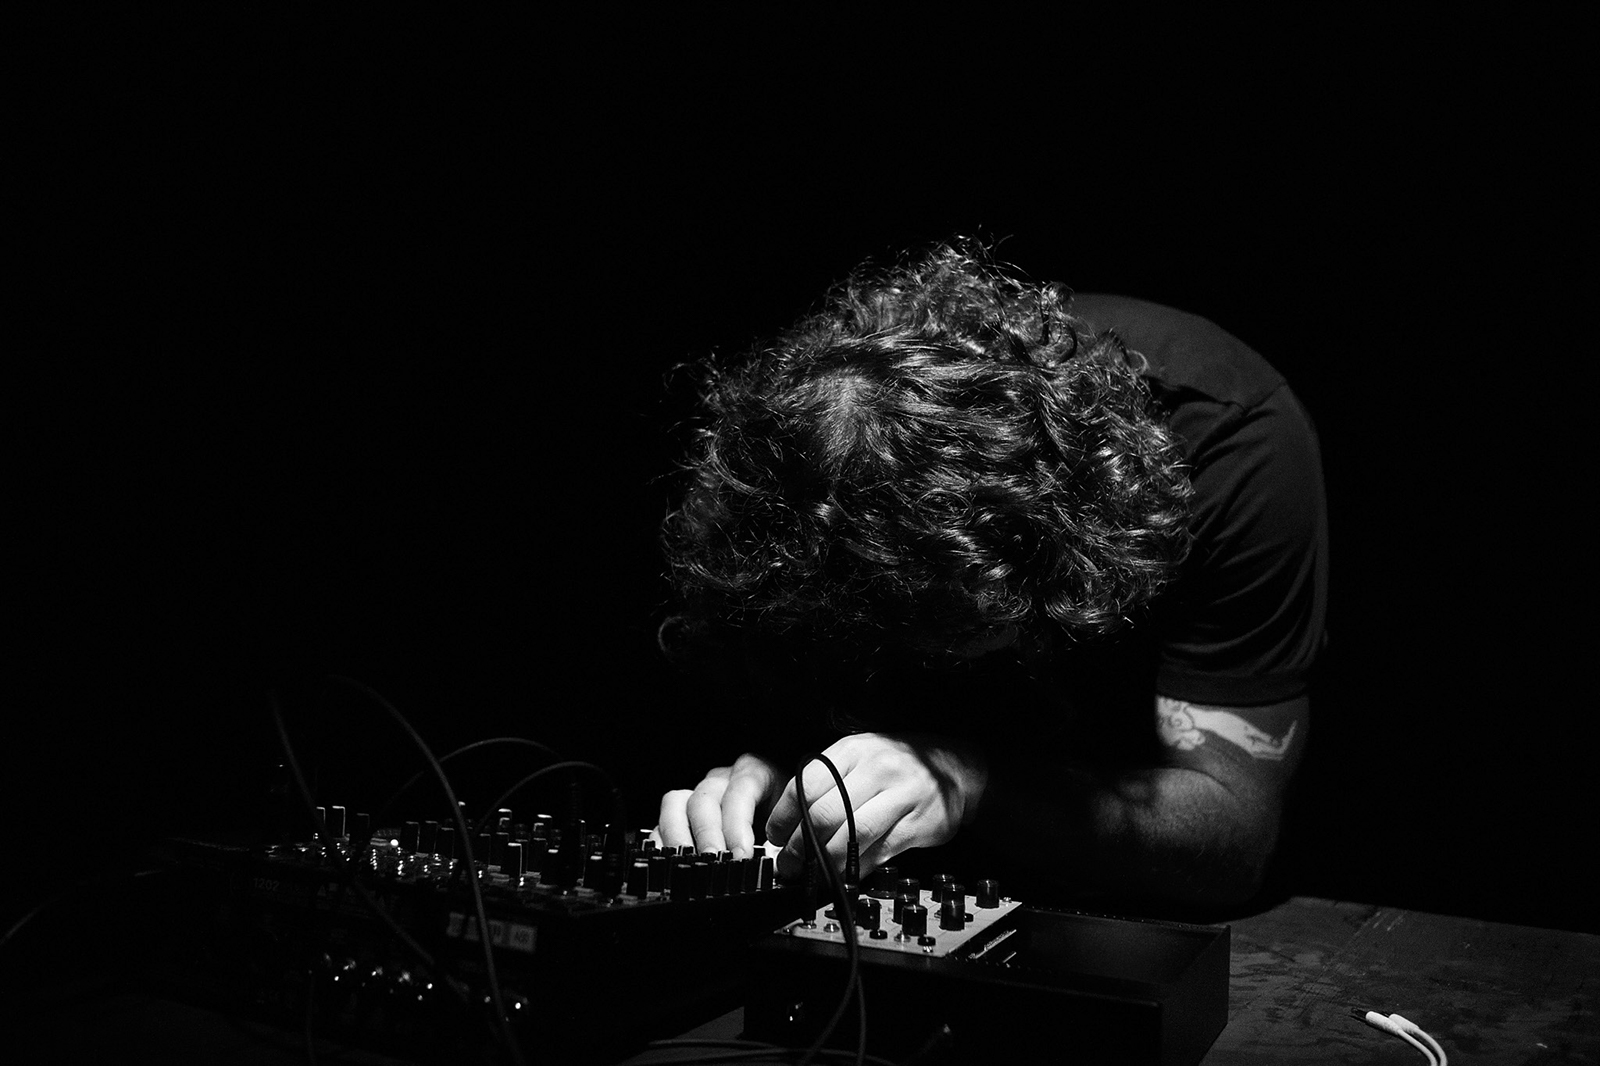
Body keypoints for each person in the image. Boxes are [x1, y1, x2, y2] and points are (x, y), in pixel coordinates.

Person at [652, 240, 1327, 909]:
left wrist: (973, 783)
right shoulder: (804, 480)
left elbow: (1235, 838)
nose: (933, 657)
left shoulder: (1231, 444)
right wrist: (789, 779)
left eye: (957, 619)